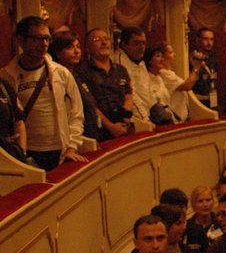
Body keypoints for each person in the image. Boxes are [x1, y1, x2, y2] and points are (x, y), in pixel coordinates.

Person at [1, 15, 86, 172]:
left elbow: (77, 113)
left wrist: (72, 147)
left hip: (58, 149)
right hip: (25, 151)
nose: (44, 44)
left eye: (47, 38)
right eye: (38, 38)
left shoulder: (61, 73)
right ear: (21, 40)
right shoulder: (6, 76)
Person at [75, 29, 133, 140]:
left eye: (106, 39)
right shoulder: (81, 71)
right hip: (99, 132)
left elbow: (128, 95)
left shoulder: (120, 69)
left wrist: (125, 119)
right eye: (97, 40)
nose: (104, 42)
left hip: (123, 128)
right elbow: (90, 105)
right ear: (87, 48)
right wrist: (111, 127)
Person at [114, 26, 151, 120]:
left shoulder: (139, 61)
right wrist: (145, 119)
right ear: (124, 44)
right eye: (137, 43)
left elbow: (147, 89)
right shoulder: (119, 63)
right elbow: (131, 94)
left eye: (144, 43)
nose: (142, 47)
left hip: (148, 112)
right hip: (136, 118)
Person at [191, 27, 220, 111]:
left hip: (211, 101)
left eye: (211, 40)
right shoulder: (192, 59)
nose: (209, 43)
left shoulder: (213, 59)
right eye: (205, 39)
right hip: (197, 103)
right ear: (198, 40)